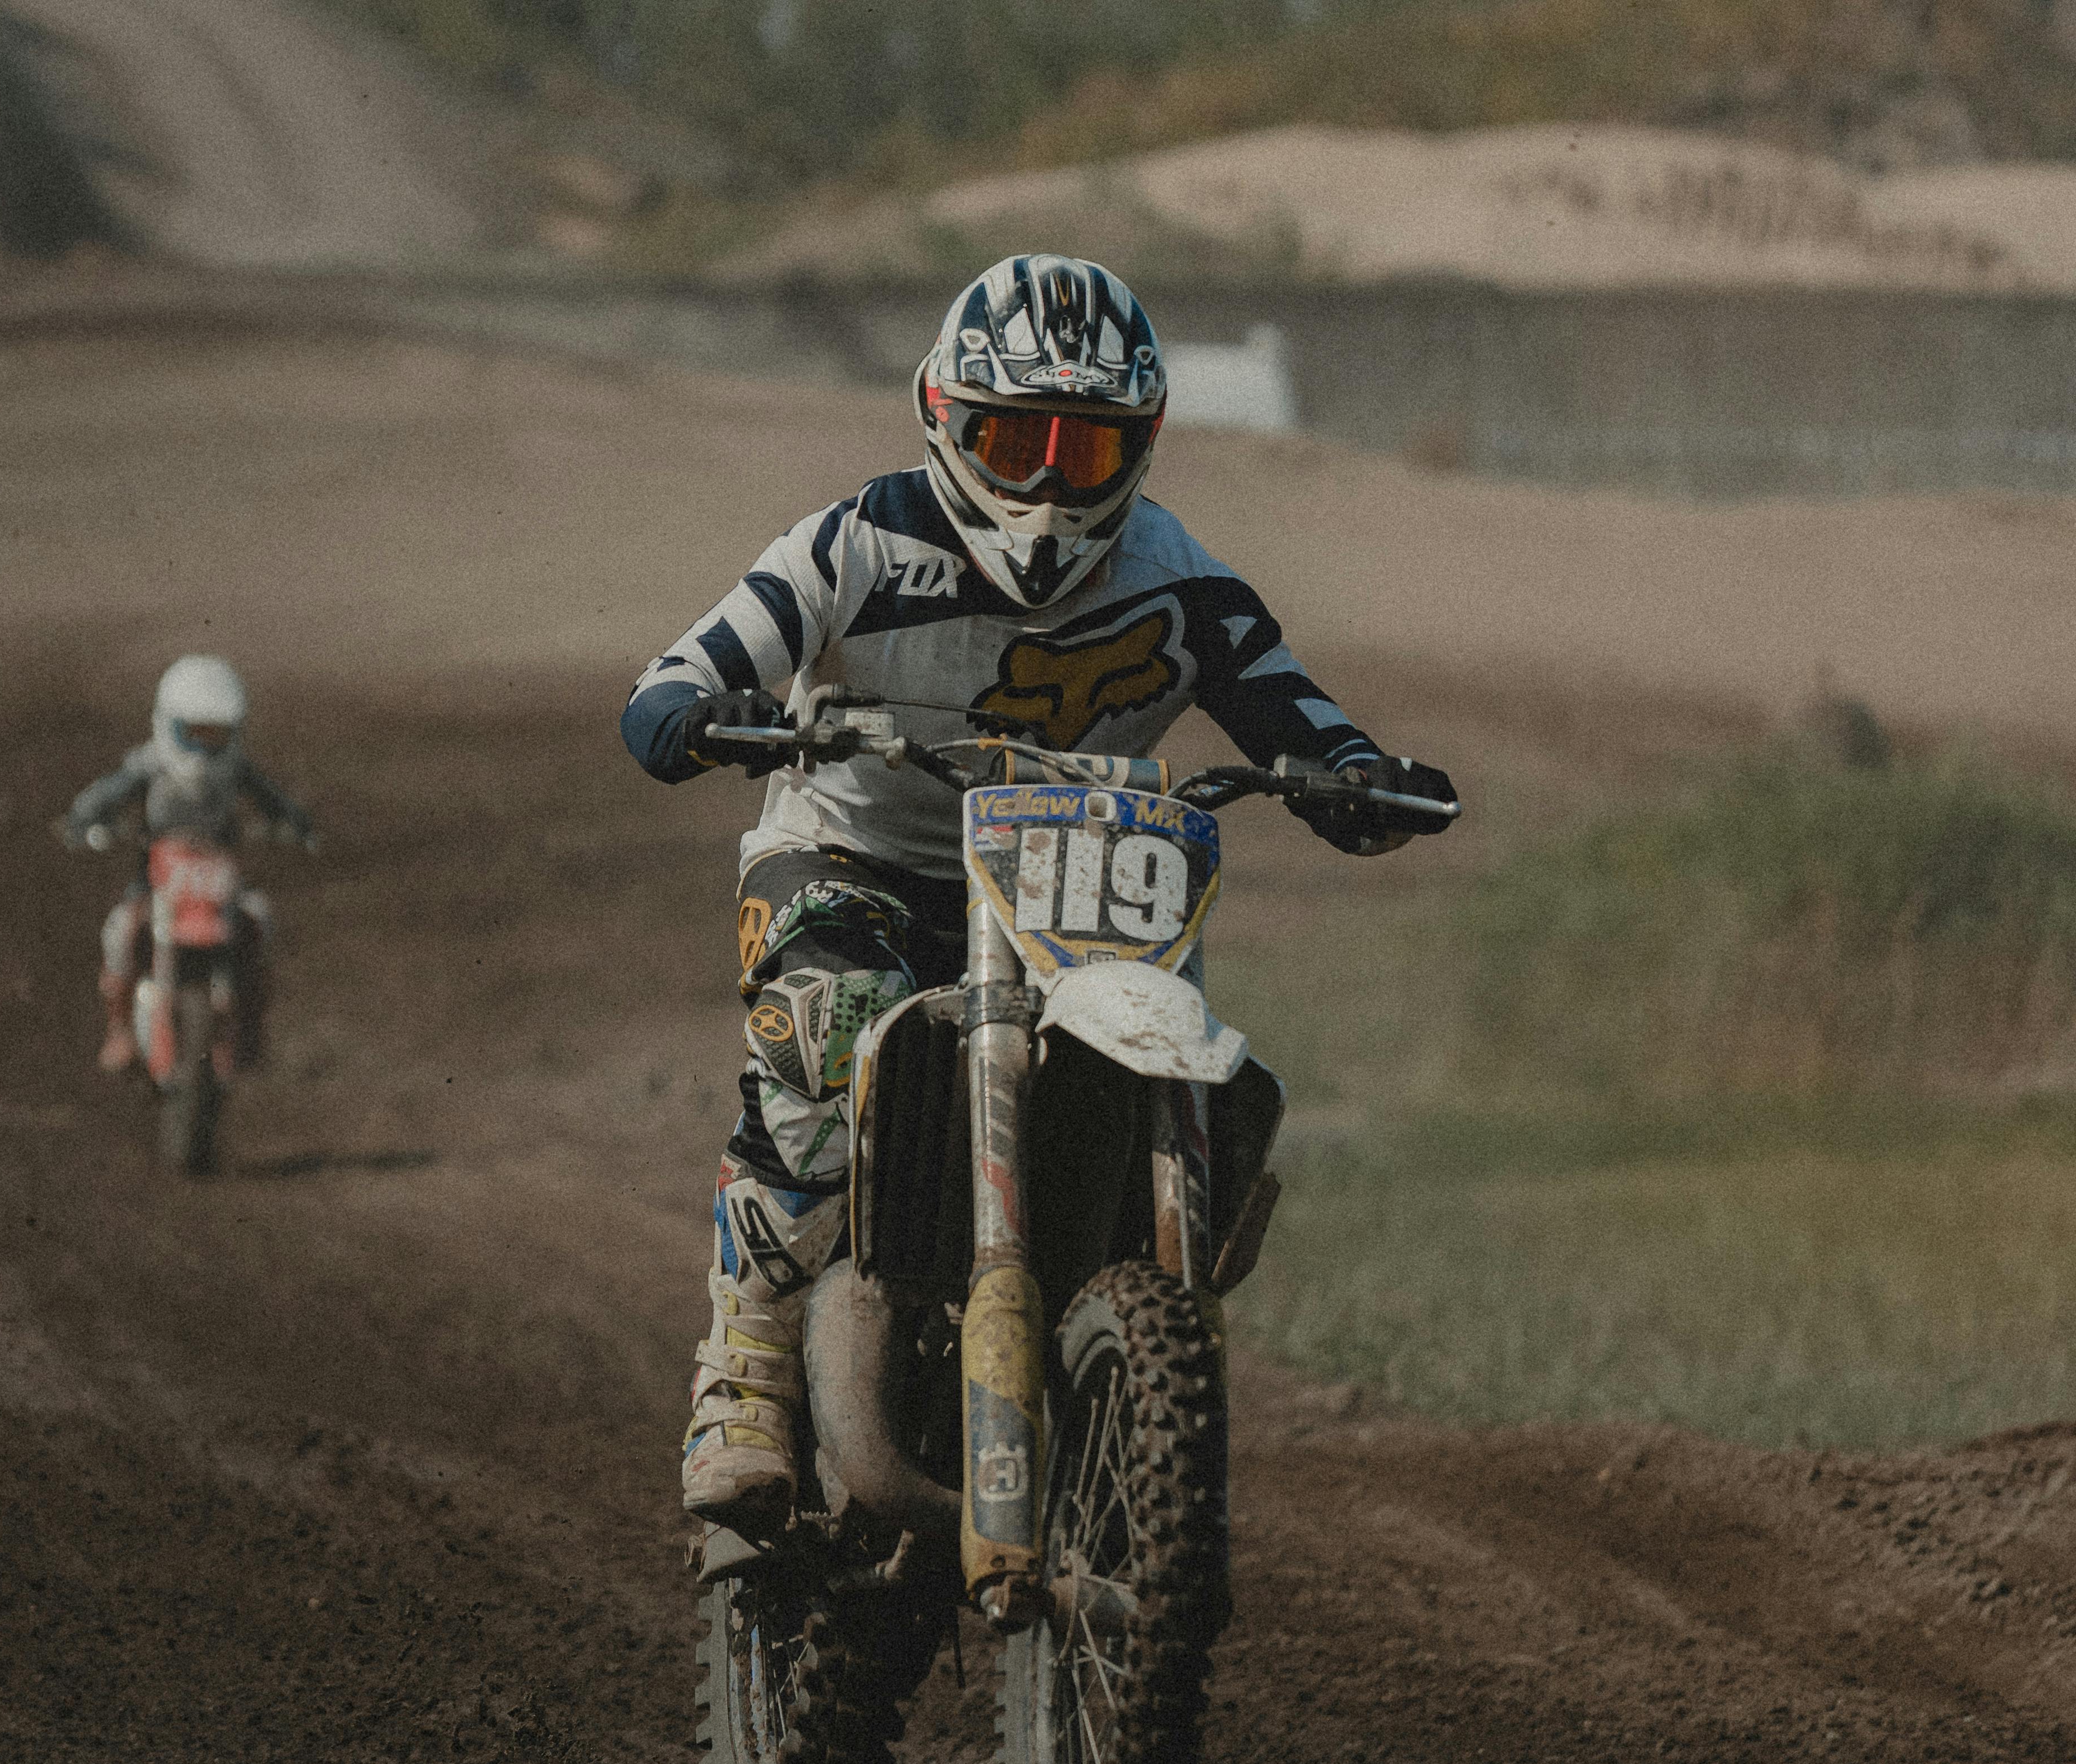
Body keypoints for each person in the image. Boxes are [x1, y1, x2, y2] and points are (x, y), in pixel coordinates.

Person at [622, 253, 1457, 1534]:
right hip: (853, 855)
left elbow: (1298, 714)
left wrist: (1356, 778)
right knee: (832, 1023)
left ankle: (1121, 1316)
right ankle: (743, 1361)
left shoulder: (1182, 584)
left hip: (1067, 872)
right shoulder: (855, 541)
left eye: (1084, 447)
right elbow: (682, 669)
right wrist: (692, 713)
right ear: (942, 416)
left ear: (1145, 444)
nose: (1048, 484)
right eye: (1015, 439)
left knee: (1187, 1064)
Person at [62, 655, 316, 1073]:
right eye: (194, 734)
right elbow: (104, 796)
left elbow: (274, 800)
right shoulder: (150, 766)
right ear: (169, 725)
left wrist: (295, 824)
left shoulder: (236, 770)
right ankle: (120, 1029)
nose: (204, 748)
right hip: (156, 885)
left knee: (259, 924)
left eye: (216, 736)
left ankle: (250, 1029)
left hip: (218, 887)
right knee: (121, 933)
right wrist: (86, 820)